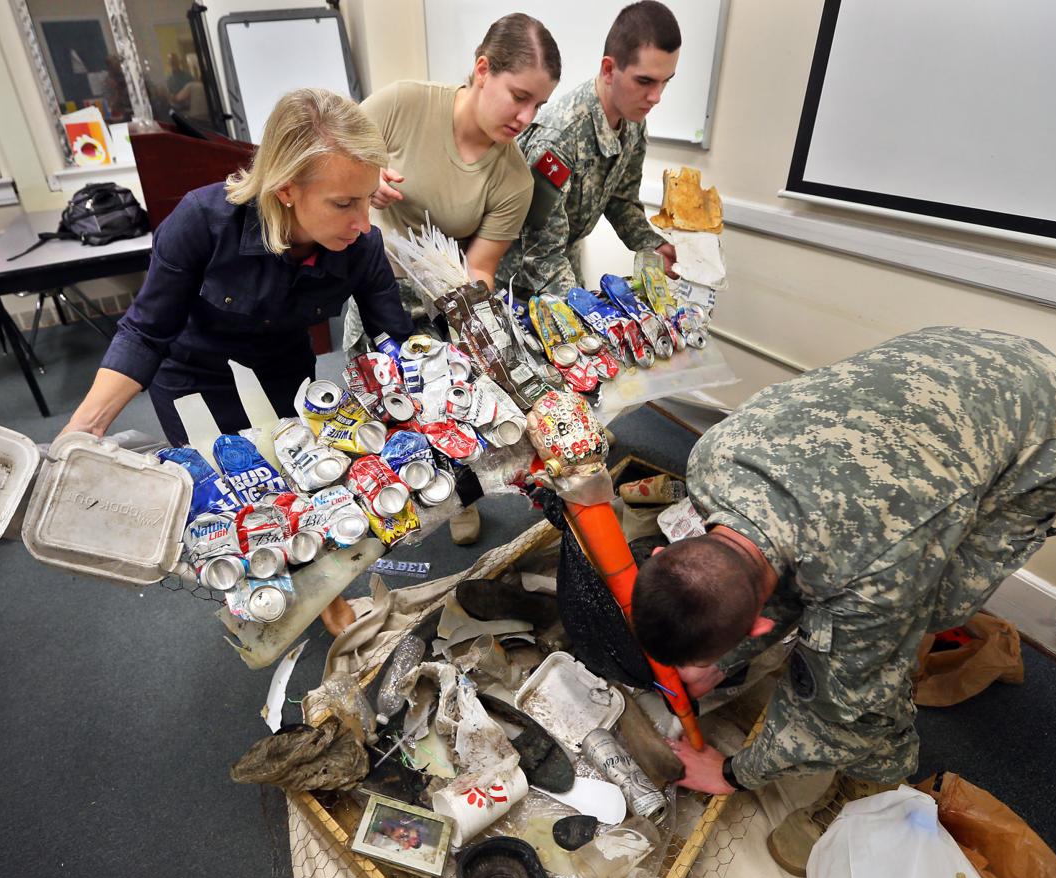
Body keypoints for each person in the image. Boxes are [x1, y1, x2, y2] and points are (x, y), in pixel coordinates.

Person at [629, 327, 1056, 877]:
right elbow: (767, 559)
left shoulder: (875, 576)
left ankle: (873, 781)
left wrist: (734, 772)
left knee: (927, 621)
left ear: (761, 622)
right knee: (841, 595)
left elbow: (833, 712)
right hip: (954, 356)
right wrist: (724, 661)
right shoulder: (712, 462)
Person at [64, 87, 412, 447]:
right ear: (285, 189)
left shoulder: (362, 245)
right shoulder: (202, 221)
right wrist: (86, 426)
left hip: (286, 377)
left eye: (368, 198)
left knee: (300, 481)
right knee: (219, 486)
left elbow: (393, 339)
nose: (364, 224)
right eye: (343, 204)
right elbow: (145, 333)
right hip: (197, 381)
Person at [346, 13, 561, 544]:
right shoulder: (404, 104)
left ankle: (455, 494)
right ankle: (373, 506)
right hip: (372, 282)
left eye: (539, 106)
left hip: (442, 303)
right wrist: (362, 180)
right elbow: (330, 159)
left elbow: (480, 269)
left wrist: (475, 322)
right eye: (518, 96)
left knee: (447, 409)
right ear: (482, 70)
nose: (526, 117)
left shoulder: (513, 177)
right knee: (373, 412)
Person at [495, 0, 681, 299]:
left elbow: (620, 199)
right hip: (516, 287)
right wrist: (589, 312)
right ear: (609, 69)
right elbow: (540, 254)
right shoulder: (558, 140)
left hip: (564, 269)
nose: (656, 97)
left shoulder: (633, 122)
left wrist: (651, 243)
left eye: (665, 82)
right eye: (645, 81)